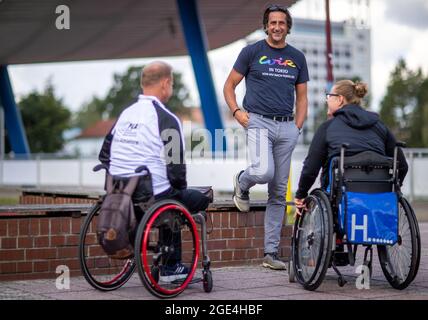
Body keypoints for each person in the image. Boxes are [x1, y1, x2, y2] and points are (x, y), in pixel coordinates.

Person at [98, 61, 210, 281]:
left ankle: (161, 253)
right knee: (192, 199)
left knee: (172, 195)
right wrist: (179, 189)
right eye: (172, 84)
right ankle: (171, 266)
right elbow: (177, 169)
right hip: (150, 197)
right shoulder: (166, 118)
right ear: (166, 83)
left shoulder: (125, 115)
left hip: (120, 193)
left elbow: (104, 155)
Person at [223, 4, 309, 270]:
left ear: (287, 27)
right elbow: (229, 85)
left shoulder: (297, 57)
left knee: (278, 192)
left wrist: (297, 126)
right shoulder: (251, 52)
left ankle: (270, 254)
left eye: (282, 23)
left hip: (286, 128)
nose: (277, 27)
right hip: (258, 120)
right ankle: (242, 180)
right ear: (266, 26)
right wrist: (237, 112)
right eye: (272, 23)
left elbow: (302, 96)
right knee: (263, 171)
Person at [294, 80, 408, 214]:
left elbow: (310, 169)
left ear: (340, 99)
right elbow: (402, 165)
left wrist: (300, 195)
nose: (327, 100)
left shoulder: (328, 127)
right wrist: (394, 188)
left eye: (329, 96)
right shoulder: (379, 126)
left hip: (341, 200)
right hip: (378, 199)